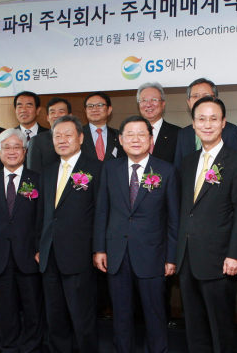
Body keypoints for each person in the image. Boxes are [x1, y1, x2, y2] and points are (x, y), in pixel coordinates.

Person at [93, 115, 179, 353]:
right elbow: (102, 211)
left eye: (142, 134)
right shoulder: (109, 169)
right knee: (120, 314)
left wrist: (171, 257)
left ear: (150, 139)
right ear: (120, 139)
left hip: (153, 255)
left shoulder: (166, 170)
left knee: (154, 314)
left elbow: (173, 219)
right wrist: (100, 248)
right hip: (116, 254)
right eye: (129, 134)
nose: (135, 139)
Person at [176, 97, 237, 352]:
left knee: (221, 328)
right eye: (201, 119)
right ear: (194, 124)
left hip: (219, 259)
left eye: (213, 119)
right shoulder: (187, 162)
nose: (207, 124)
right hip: (187, 258)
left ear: (223, 124)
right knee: (194, 326)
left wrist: (235, 255)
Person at [36, 115, 102, 352]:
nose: (62, 140)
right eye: (57, 136)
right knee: (55, 317)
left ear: (81, 138)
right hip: (49, 255)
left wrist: (98, 249)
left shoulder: (96, 169)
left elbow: (100, 213)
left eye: (68, 135)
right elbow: (42, 214)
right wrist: (39, 247)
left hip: (80, 255)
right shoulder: (47, 171)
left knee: (82, 317)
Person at [0, 129, 44, 352]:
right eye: (7, 147)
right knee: (5, 307)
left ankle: (31, 345)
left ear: (25, 151)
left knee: (32, 305)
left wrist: (40, 249)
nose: (12, 151)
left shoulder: (38, 180)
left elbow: (43, 219)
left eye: (17, 147)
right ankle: (8, 345)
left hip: (29, 255)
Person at [174, 78, 237, 168]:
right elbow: (178, 169)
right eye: (195, 96)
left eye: (206, 96)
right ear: (188, 102)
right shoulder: (183, 133)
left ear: (216, 99)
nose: (200, 100)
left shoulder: (231, 131)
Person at [136, 82, 181, 164]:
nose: (148, 104)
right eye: (144, 100)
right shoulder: (130, 134)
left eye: (154, 100)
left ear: (163, 104)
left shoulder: (178, 134)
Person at [26, 97, 71, 173]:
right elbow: (33, 172)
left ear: (70, 116)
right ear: (47, 118)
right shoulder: (37, 141)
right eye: (52, 112)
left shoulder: (77, 137)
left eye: (61, 111)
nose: (56, 115)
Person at [81, 91, 124, 161]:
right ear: (85, 110)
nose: (94, 109)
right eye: (90, 106)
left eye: (100, 105)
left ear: (109, 110)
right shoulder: (77, 134)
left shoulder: (118, 135)